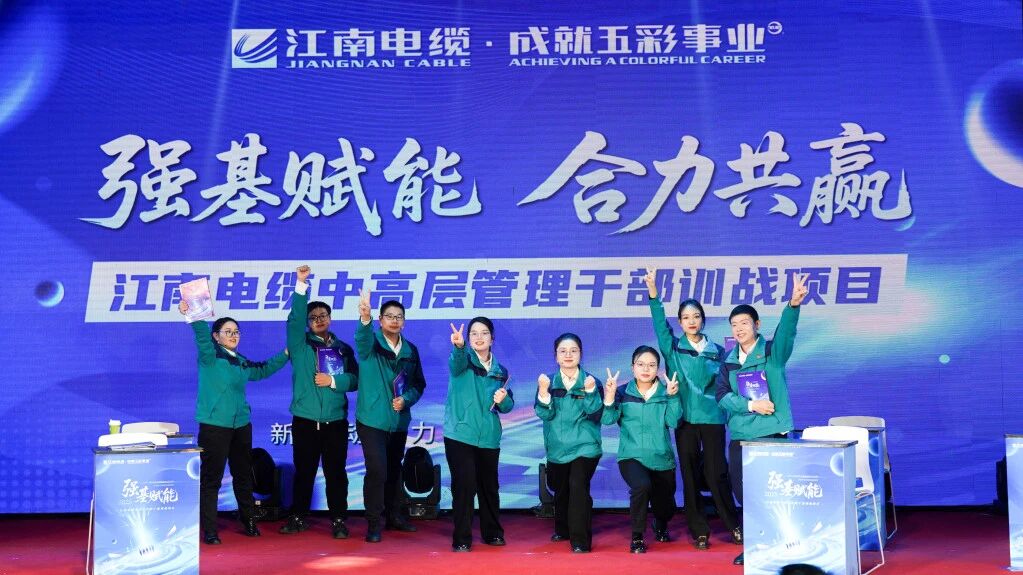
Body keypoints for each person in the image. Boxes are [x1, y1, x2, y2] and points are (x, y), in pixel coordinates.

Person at [644, 268, 741, 550]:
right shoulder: (673, 348)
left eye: (696, 316)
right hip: (685, 418)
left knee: (716, 473)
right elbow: (659, 324)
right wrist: (653, 293)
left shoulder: (719, 351)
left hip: (712, 418)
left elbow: (728, 384)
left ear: (703, 319)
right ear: (680, 322)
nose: (691, 321)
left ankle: (733, 525)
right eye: (686, 317)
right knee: (689, 474)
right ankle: (699, 529)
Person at [716, 273, 809, 565]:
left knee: (775, 493)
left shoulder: (772, 353)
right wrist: (751, 404)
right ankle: (758, 545)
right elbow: (722, 396)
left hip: (771, 433)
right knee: (745, 493)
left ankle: (785, 544)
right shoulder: (728, 362)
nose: (739, 329)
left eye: (744, 323)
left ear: (757, 325)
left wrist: (793, 305)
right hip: (741, 436)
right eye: (734, 324)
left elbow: (787, 333)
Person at [179, 301, 288, 545]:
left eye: (236, 331)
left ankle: (249, 520)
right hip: (214, 427)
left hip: (241, 427)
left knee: (243, 476)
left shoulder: (240, 361)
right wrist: (193, 314)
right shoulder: (210, 357)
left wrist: (285, 355)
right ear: (216, 336)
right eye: (227, 332)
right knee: (212, 479)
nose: (233, 335)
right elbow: (201, 336)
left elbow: (262, 370)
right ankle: (210, 529)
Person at [279, 265, 359, 539]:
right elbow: (293, 319)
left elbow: (356, 380)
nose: (318, 320)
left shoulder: (343, 349)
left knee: (336, 473)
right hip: (305, 420)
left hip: (335, 421)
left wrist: (334, 381)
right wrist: (301, 285)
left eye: (323, 315)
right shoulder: (299, 344)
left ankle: (338, 519)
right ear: (307, 322)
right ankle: (298, 516)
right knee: (304, 472)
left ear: (330, 318)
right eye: (312, 317)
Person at [354, 289, 427, 542]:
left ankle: (395, 516)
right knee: (377, 470)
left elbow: (418, 384)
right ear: (380, 320)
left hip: (398, 421)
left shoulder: (411, 350)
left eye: (399, 317)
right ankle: (373, 523)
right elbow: (361, 339)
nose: (394, 321)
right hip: (372, 420)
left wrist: (406, 399)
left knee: (395, 470)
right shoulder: (371, 344)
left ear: (403, 322)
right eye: (389, 316)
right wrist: (364, 317)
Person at [601, 346, 682, 554]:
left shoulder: (666, 391)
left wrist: (673, 397)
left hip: (661, 457)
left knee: (666, 506)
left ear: (658, 369)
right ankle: (637, 537)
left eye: (651, 365)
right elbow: (608, 419)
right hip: (631, 455)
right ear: (633, 367)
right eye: (641, 364)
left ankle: (660, 523)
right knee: (642, 486)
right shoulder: (622, 392)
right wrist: (609, 397)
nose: (646, 369)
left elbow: (673, 421)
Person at [443, 318, 514, 552]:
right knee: (464, 486)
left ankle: (492, 533)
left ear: (492, 338)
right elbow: (455, 363)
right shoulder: (462, 361)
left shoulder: (501, 372)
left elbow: (507, 406)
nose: (479, 337)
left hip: (489, 437)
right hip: (460, 434)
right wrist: (459, 346)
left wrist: (504, 400)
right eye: (474, 333)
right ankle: (462, 538)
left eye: (484, 333)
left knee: (489, 487)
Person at [534, 333, 603, 553]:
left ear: (581, 354)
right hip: (557, 447)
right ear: (556, 356)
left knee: (578, 486)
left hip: (585, 446)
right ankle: (563, 528)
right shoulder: (547, 382)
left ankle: (580, 540)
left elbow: (596, 414)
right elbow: (545, 414)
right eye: (563, 351)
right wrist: (543, 392)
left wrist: (591, 392)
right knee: (561, 488)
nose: (568, 355)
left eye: (573, 350)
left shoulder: (591, 382)